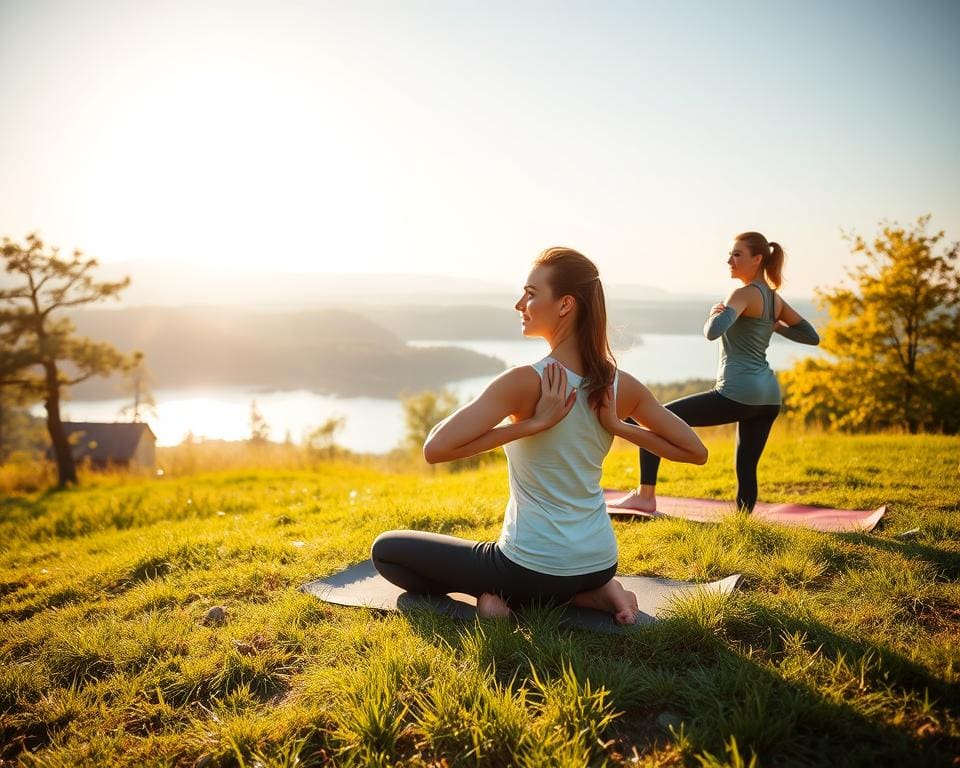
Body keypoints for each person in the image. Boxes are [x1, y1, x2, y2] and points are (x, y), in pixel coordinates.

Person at [371, 247, 707, 625]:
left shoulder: (525, 381)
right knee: (528, 570)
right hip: (599, 561)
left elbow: (435, 448)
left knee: (387, 550)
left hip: (529, 568)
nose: (520, 303)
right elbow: (696, 452)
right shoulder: (617, 384)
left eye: (531, 293)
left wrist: (529, 425)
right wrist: (619, 426)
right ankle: (593, 593)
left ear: (565, 305)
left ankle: (504, 600)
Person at [609, 232, 820, 516]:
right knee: (746, 465)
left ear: (757, 259)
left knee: (652, 422)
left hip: (737, 392)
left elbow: (713, 332)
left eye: (737, 255)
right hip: (768, 397)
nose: (729, 261)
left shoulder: (742, 294)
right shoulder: (775, 300)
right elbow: (811, 336)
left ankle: (645, 496)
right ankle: (742, 522)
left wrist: (713, 314)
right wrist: (777, 325)